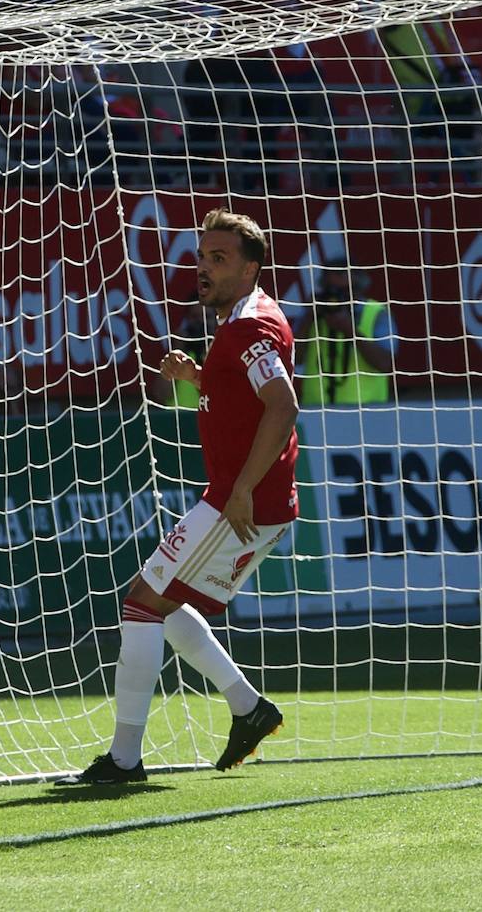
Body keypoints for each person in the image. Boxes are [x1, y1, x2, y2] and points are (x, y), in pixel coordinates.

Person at [56, 208, 299, 785]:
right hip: (246, 501)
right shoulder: (244, 318)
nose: (204, 270)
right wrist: (199, 379)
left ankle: (123, 761)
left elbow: (283, 404)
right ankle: (247, 707)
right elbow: (249, 394)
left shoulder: (249, 328)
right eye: (201, 257)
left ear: (250, 269)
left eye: (220, 259)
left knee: (142, 602)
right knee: (163, 606)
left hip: (238, 504)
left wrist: (240, 489)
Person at [294, 258, 395, 406]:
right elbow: (293, 359)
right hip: (317, 411)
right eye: (331, 290)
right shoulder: (314, 314)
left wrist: (350, 330)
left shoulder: (376, 313)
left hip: (367, 411)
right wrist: (309, 316)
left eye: (344, 291)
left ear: (358, 289)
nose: (337, 298)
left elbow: (385, 364)